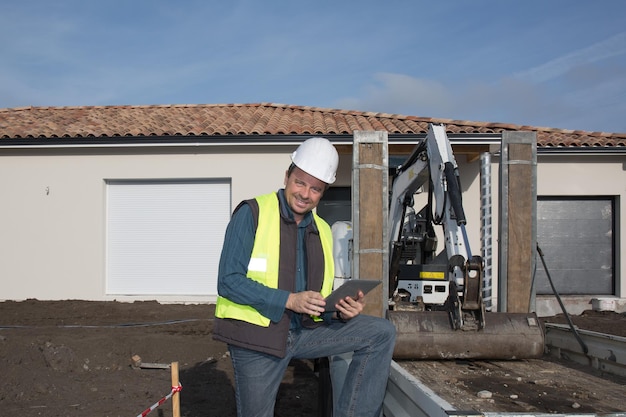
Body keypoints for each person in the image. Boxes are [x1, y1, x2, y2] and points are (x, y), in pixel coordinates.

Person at [214, 137, 396, 417]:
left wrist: (340, 313)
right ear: (287, 176)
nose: (305, 194)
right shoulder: (252, 213)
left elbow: (316, 303)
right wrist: (289, 300)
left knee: (380, 333)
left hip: (302, 333)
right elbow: (228, 281)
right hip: (256, 338)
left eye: (315, 189)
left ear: (322, 193)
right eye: (300, 182)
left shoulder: (323, 230)